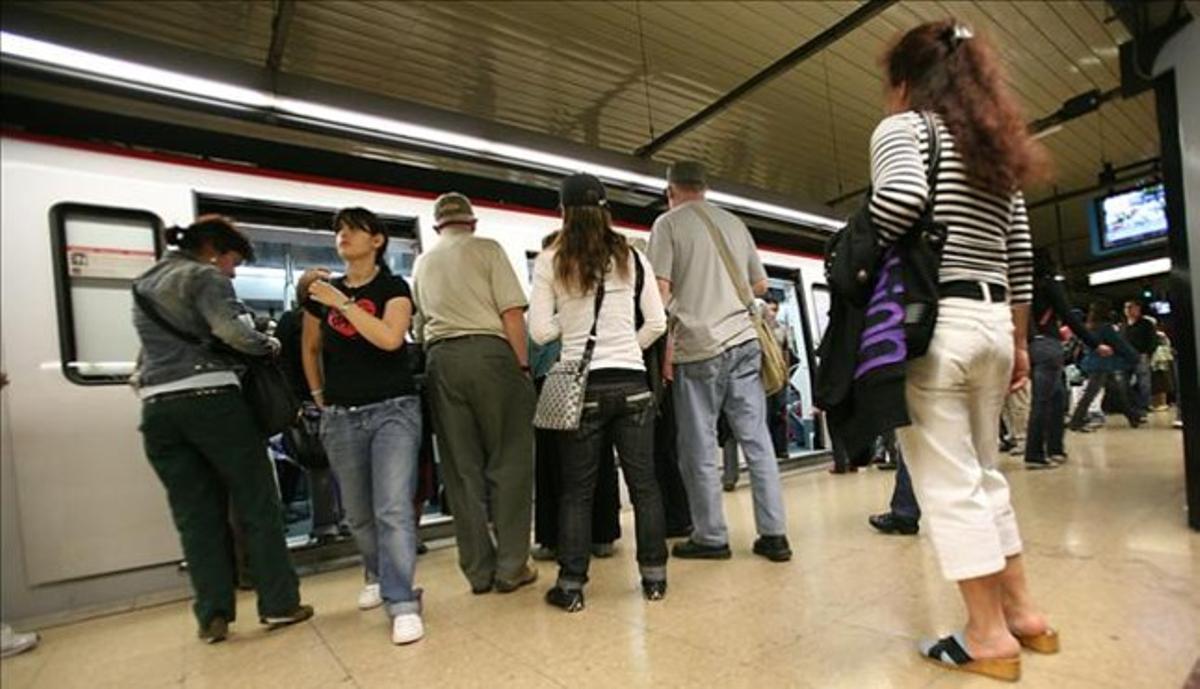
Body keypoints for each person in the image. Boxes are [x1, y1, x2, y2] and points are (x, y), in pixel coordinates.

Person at [870, 21, 1057, 680]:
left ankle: (986, 636)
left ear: (906, 80)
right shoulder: (994, 146)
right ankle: (1025, 615)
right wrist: (1018, 337)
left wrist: (859, 244)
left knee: (948, 487)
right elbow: (1020, 255)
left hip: (934, 324)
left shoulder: (905, 130)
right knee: (985, 475)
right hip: (992, 324)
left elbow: (898, 204)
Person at [131, 216, 312, 644]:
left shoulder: (143, 284)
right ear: (214, 249)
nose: (231, 272)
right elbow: (233, 333)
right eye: (232, 262)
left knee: (195, 516)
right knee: (257, 502)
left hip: (158, 410)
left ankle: (212, 615)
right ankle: (279, 603)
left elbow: (142, 361)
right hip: (212, 401)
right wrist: (270, 344)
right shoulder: (204, 276)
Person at [529, 173, 669, 612]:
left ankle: (571, 586)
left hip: (582, 386)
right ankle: (654, 579)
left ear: (563, 211)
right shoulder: (631, 255)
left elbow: (538, 331)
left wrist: (569, 330)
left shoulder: (550, 257)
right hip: (631, 385)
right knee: (645, 486)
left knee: (577, 491)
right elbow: (658, 323)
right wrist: (627, 347)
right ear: (606, 208)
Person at [647, 161, 792, 563]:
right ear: (705, 188)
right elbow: (760, 285)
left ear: (670, 190)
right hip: (745, 342)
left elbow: (660, 292)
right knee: (757, 440)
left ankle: (711, 536)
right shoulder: (733, 222)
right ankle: (774, 535)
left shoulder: (668, 225)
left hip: (700, 345)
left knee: (699, 445)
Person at [300, 208, 426, 645]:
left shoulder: (393, 287)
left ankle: (403, 600)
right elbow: (311, 348)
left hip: (393, 409)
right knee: (357, 514)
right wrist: (320, 397)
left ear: (377, 241)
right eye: (338, 230)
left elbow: (390, 338)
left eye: (353, 229)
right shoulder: (321, 294)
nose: (343, 236)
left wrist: (345, 304)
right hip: (341, 415)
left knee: (391, 507)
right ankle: (376, 570)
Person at [411, 192, 538, 595]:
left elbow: (419, 326)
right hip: (491, 356)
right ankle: (512, 566)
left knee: (461, 471)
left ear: (437, 227)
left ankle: (478, 572)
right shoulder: (488, 249)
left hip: (441, 361)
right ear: (473, 222)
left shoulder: (422, 263)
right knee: (510, 461)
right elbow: (512, 313)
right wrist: (521, 366)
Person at [530, 231, 622, 563]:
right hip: (595, 375)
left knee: (555, 463)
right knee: (599, 458)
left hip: (556, 381)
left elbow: (538, 338)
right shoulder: (591, 284)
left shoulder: (551, 290)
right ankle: (603, 534)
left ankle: (556, 539)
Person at [1023, 249, 1112, 467]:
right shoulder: (1050, 284)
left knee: (1056, 397)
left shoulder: (1023, 287)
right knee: (1044, 402)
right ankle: (1035, 454)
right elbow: (1069, 316)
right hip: (1048, 346)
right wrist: (1095, 344)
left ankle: (1056, 449)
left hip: (1029, 345)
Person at [1067, 301, 1141, 431]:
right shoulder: (1105, 328)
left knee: (1114, 391)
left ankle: (1132, 416)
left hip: (1092, 362)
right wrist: (1134, 357)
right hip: (1103, 364)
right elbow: (1119, 344)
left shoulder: (1089, 326)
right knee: (1091, 394)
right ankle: (1076, 421)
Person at [762, 297, 791, 458]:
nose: (773, 314)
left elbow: (786, 351)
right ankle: (768, 451)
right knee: (765, 414)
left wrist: (786, 374)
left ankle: (781, 448)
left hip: (780, 377)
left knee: (780, 413)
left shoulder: (782, 329)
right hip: (765, 378)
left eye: (775, 310)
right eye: (770, 310)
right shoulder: (759, 329)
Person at [1121, 300, 1157, 418]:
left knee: (1144, 383)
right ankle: (1131, 406)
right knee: (1124, 382)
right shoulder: (1124, 325)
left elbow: (1152, 340)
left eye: (1131, 307)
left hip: (1141, 354)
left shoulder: (1146, 323)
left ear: (1138, 309)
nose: (1128, 310)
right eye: (1126, 308)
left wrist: (1148, 352)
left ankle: (1144, 406)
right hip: (1125, 357)